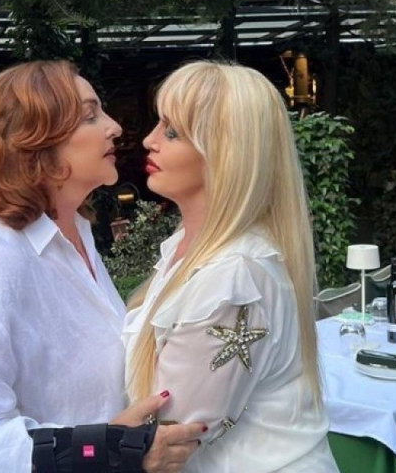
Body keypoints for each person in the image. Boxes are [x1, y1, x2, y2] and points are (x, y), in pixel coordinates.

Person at [0, 60, 203, 473]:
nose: (114, 127)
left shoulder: (71, 233)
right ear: (34, 142)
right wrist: (110, 450)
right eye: (90, 116)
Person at [123, 61, 340, 472]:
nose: (149, 140)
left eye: (172, 132)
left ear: (224, 153)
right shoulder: (196, 253)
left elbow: (167, 439)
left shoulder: (231, 277)